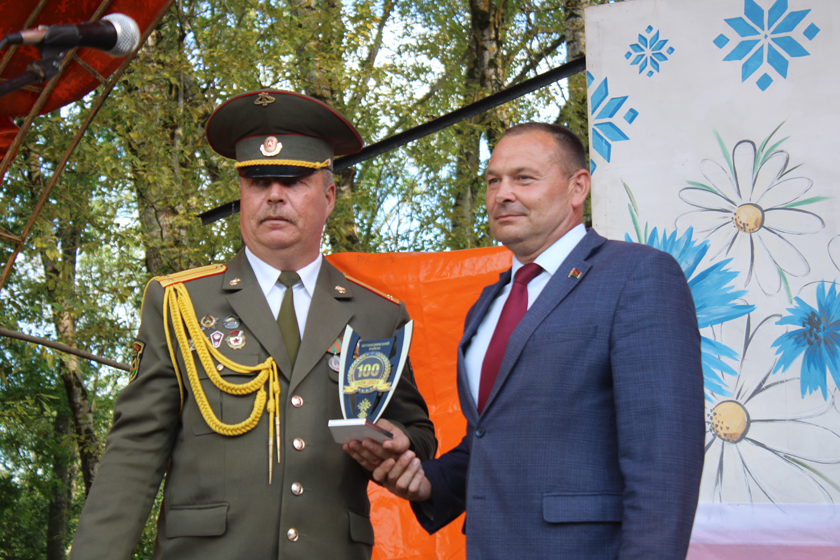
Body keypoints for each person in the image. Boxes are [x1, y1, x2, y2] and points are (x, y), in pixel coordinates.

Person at [70, 90, 436, 560]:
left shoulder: (378, 315)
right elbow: (134, 453)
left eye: (293, 181)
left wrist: (401, 446)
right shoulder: (181, 303)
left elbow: (417, 433)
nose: (274, 195)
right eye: (259, 181)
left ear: (328, 197)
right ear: (242, 193)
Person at [346, 122, 705, 559]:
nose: (503, 194)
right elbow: (488, 441)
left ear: (578, 187)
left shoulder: (637, 275)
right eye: (493, 180)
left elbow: (664, 461)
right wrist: (424, 481)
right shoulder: (487, 303)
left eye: (524, 178)